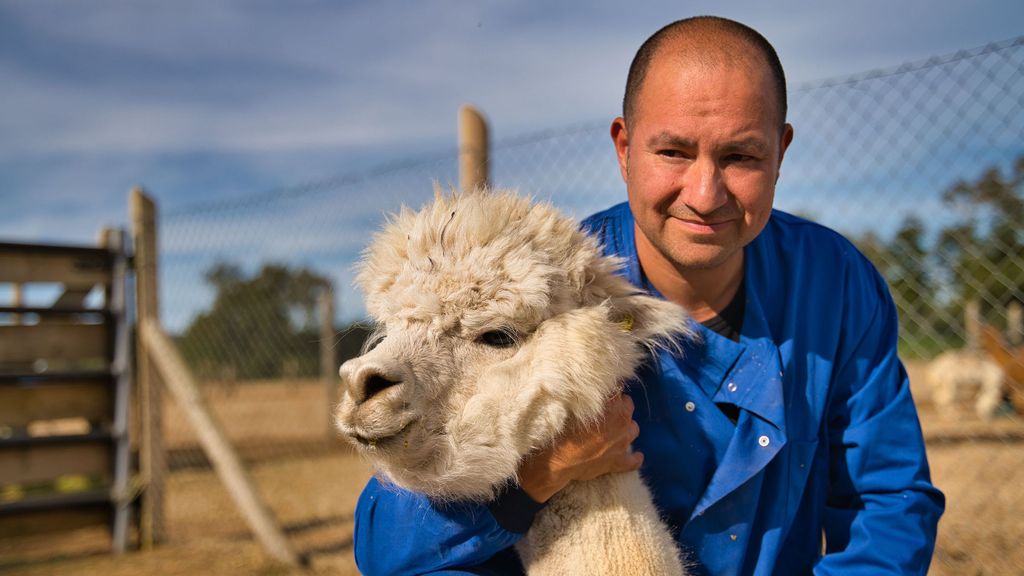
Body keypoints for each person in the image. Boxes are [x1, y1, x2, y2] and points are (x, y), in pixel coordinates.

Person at [352, 16, 945, 575]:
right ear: (624, 147)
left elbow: (887, 498)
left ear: (780, 152)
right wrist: (543, 474)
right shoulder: (546, 291)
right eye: (674, 152)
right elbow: (388, 547)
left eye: (741, 156)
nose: (706, 193)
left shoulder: (834, 284)